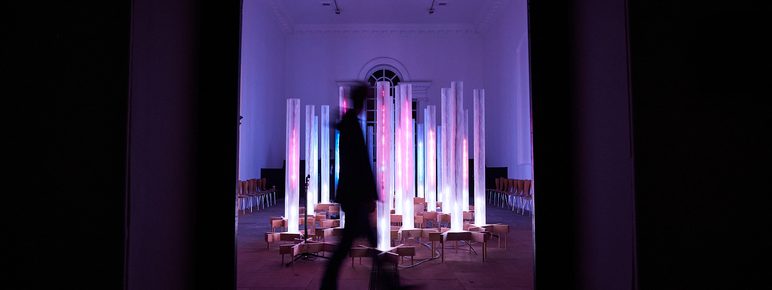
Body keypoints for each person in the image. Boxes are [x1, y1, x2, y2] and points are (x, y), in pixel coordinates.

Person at [320, 83, 400, 290]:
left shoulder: (350, 123)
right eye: (367, 99)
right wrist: (369, 195)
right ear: (362, 101)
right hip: (356, 196)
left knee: (361, 242)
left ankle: (387, 284)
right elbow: (358, 164)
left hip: (353, 195)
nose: (368, 104)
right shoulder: (351, 125)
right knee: (356, 243)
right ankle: (388, 284)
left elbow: (357, 164)